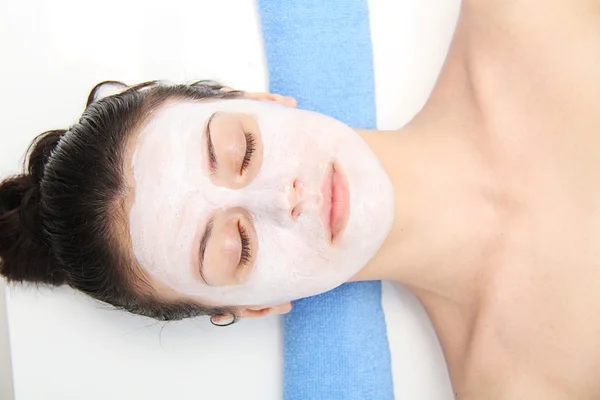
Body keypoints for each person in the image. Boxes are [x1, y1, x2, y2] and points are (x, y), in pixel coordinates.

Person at [2, 1, 600, 397]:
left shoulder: (531, 15)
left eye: (240, 151)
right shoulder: (527, 386)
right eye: (235, 247)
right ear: (261, 306)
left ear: (260, 99)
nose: (280, 200)